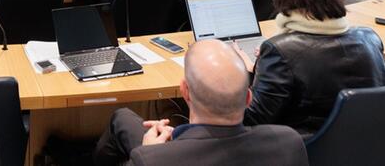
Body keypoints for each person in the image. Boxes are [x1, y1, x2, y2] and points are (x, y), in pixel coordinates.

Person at [93, 40, 307, 166]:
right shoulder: (289, 142)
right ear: (248, 98)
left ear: (185, 91)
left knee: (122, 118)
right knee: (123, 120)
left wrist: (150, 152)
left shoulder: (151, 159)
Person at [239, 0, 385, 133]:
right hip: (369, 143)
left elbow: (255, 118)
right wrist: (262, 67)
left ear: (282, 0)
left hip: (304, 149)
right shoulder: (369, 37)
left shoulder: (279, 50)